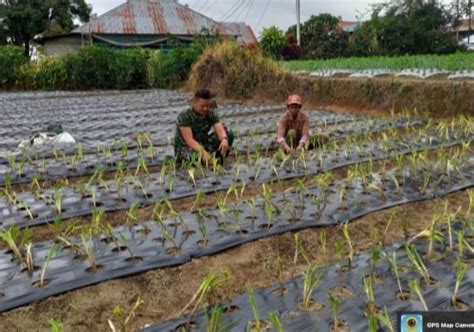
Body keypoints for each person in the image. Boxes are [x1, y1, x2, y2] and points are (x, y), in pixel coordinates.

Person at [174, 89, 234, 165]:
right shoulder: (185, 116)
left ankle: (217, 161)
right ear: (194, 102)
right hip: (187, 148)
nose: (205, 108)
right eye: (202, 106)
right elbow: (189, 140)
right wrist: (203, 153)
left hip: (204, 144)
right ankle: (209, 161)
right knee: (196, 160)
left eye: (208, 105)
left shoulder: (210, 112)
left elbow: (219, 127)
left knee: (228, 133)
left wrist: (224, 139)